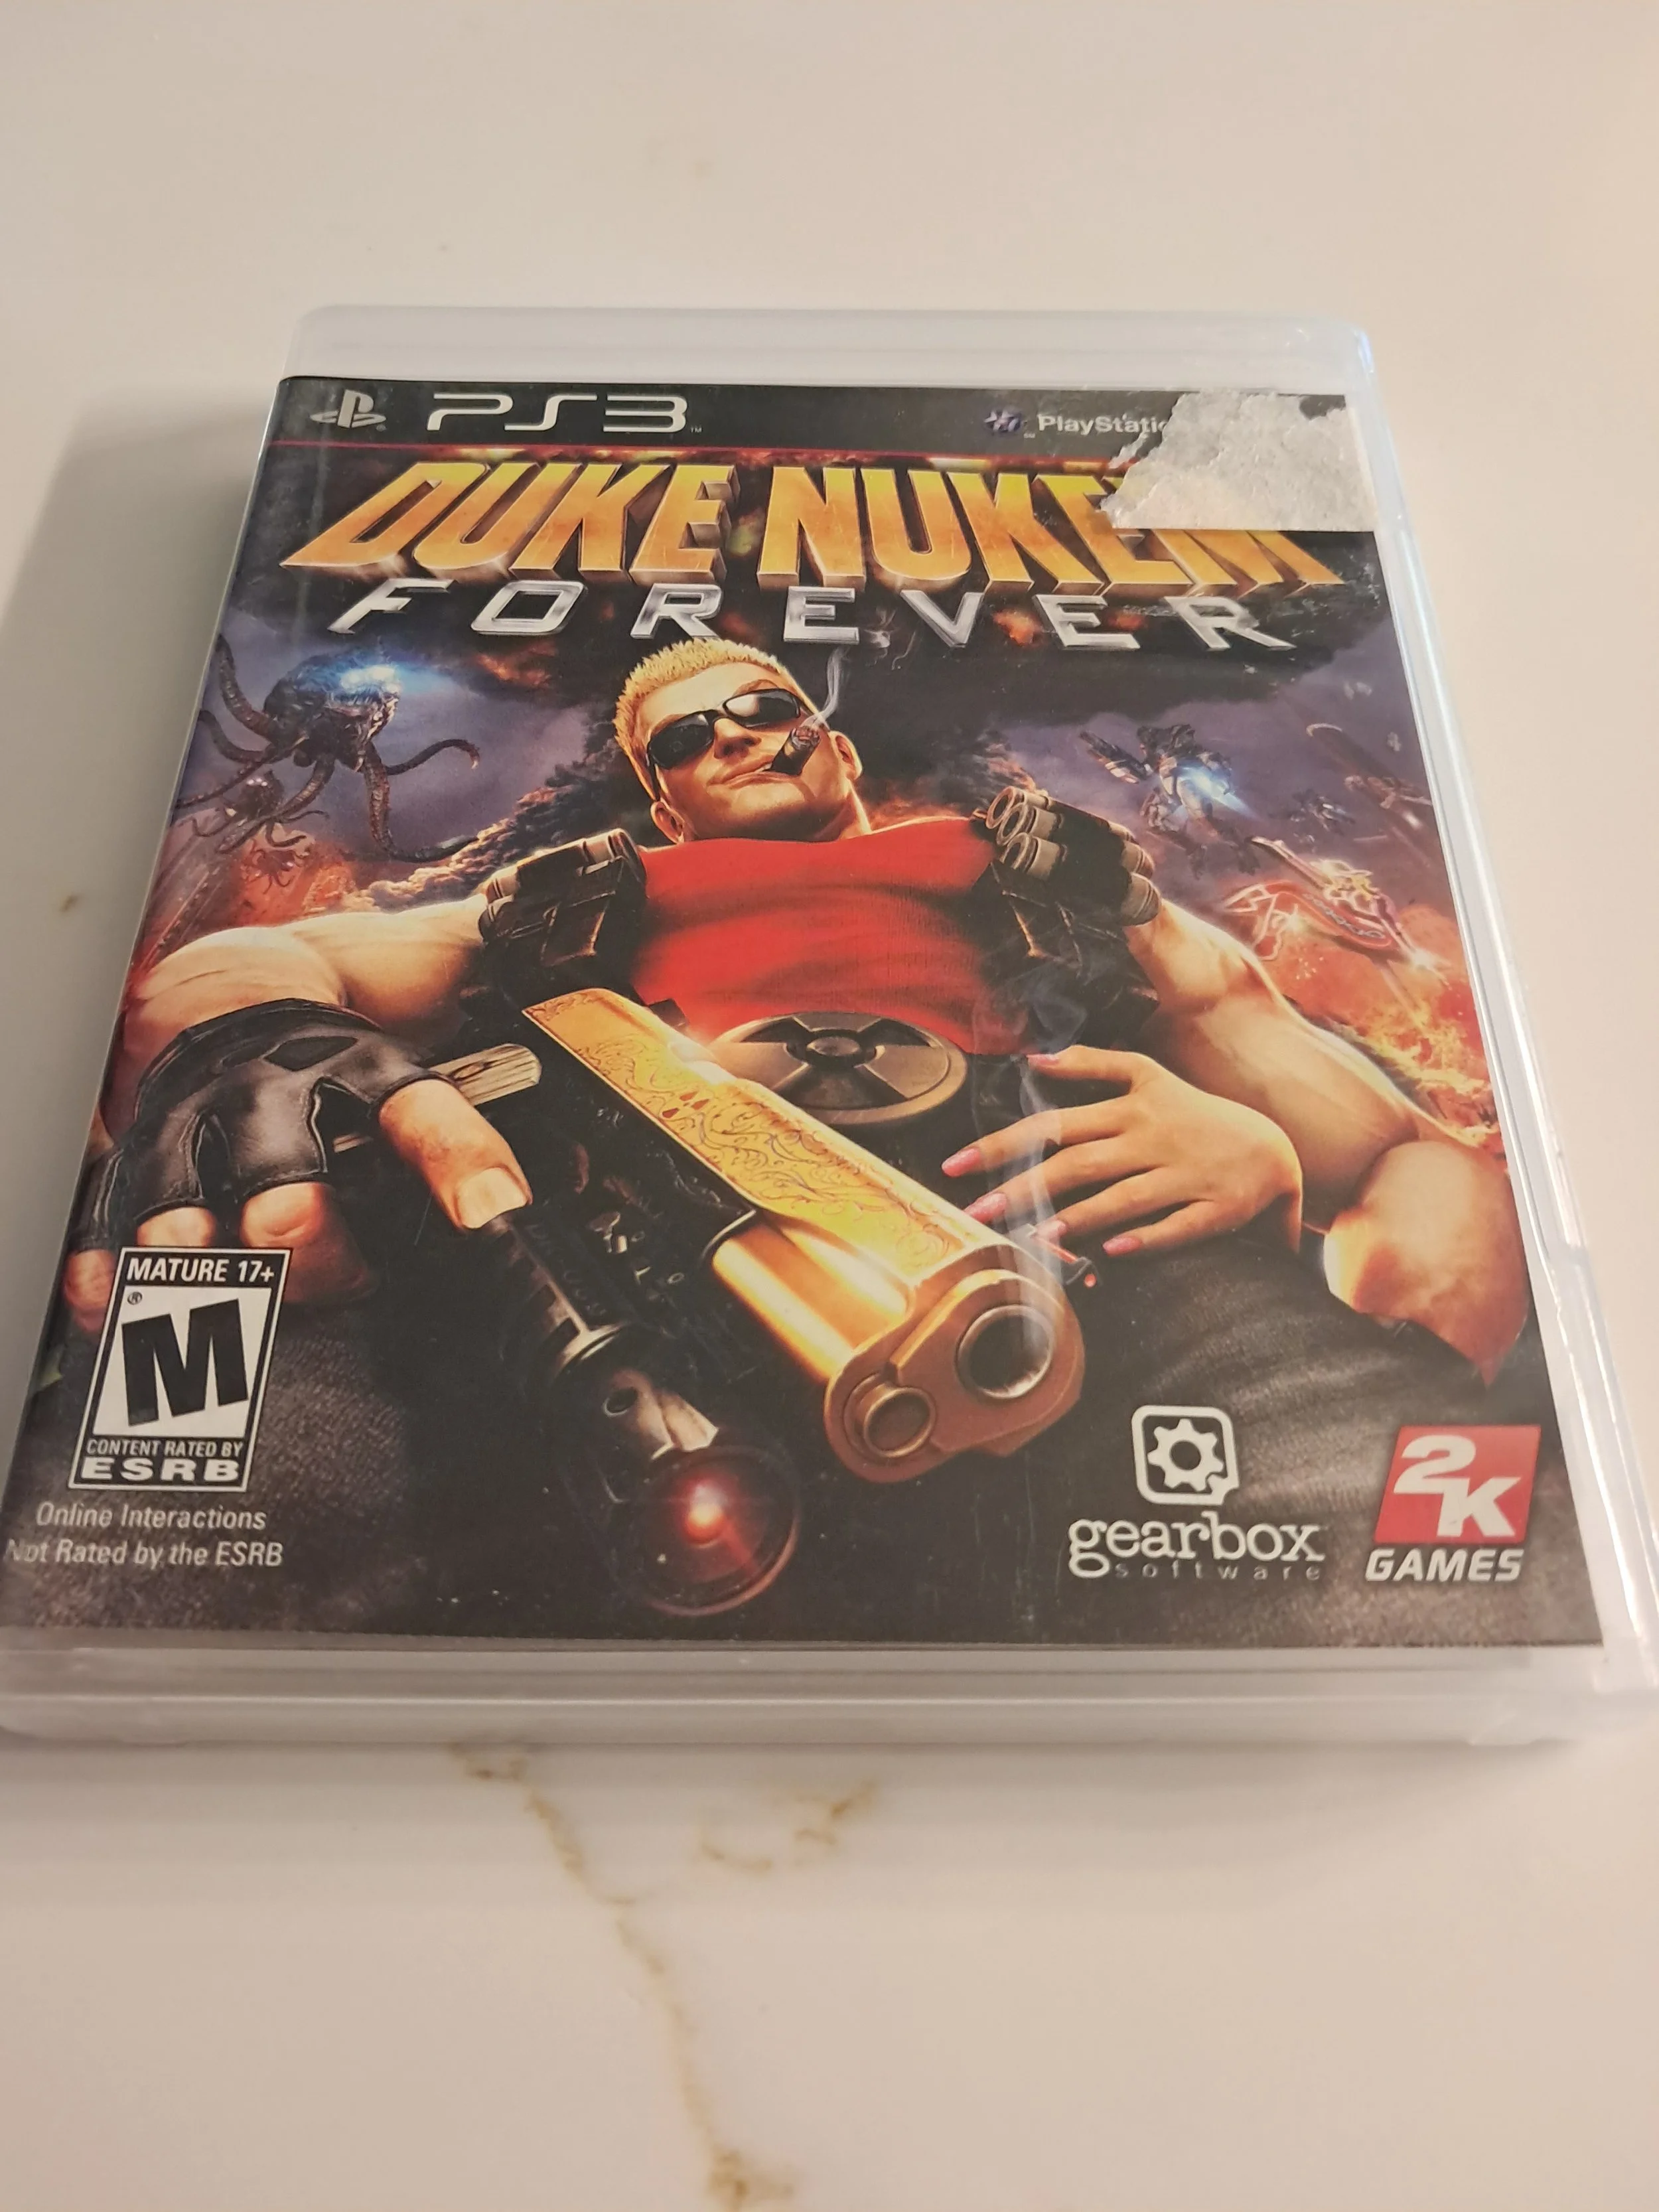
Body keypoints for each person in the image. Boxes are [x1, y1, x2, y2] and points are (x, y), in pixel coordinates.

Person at [68, 637, 1526, 1378]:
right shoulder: (578, 896)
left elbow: (1410, 1160)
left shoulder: (1052, 878)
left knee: (1355, 1483)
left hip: (1078, 1257)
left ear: (831, 745)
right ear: (662, 799)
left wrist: (1264, 1179)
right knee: (191, 1465)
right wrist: (251, 1054)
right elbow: (257, 970)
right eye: (689, 736)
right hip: (630, 1286)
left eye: (767, 707)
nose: (738, 734)